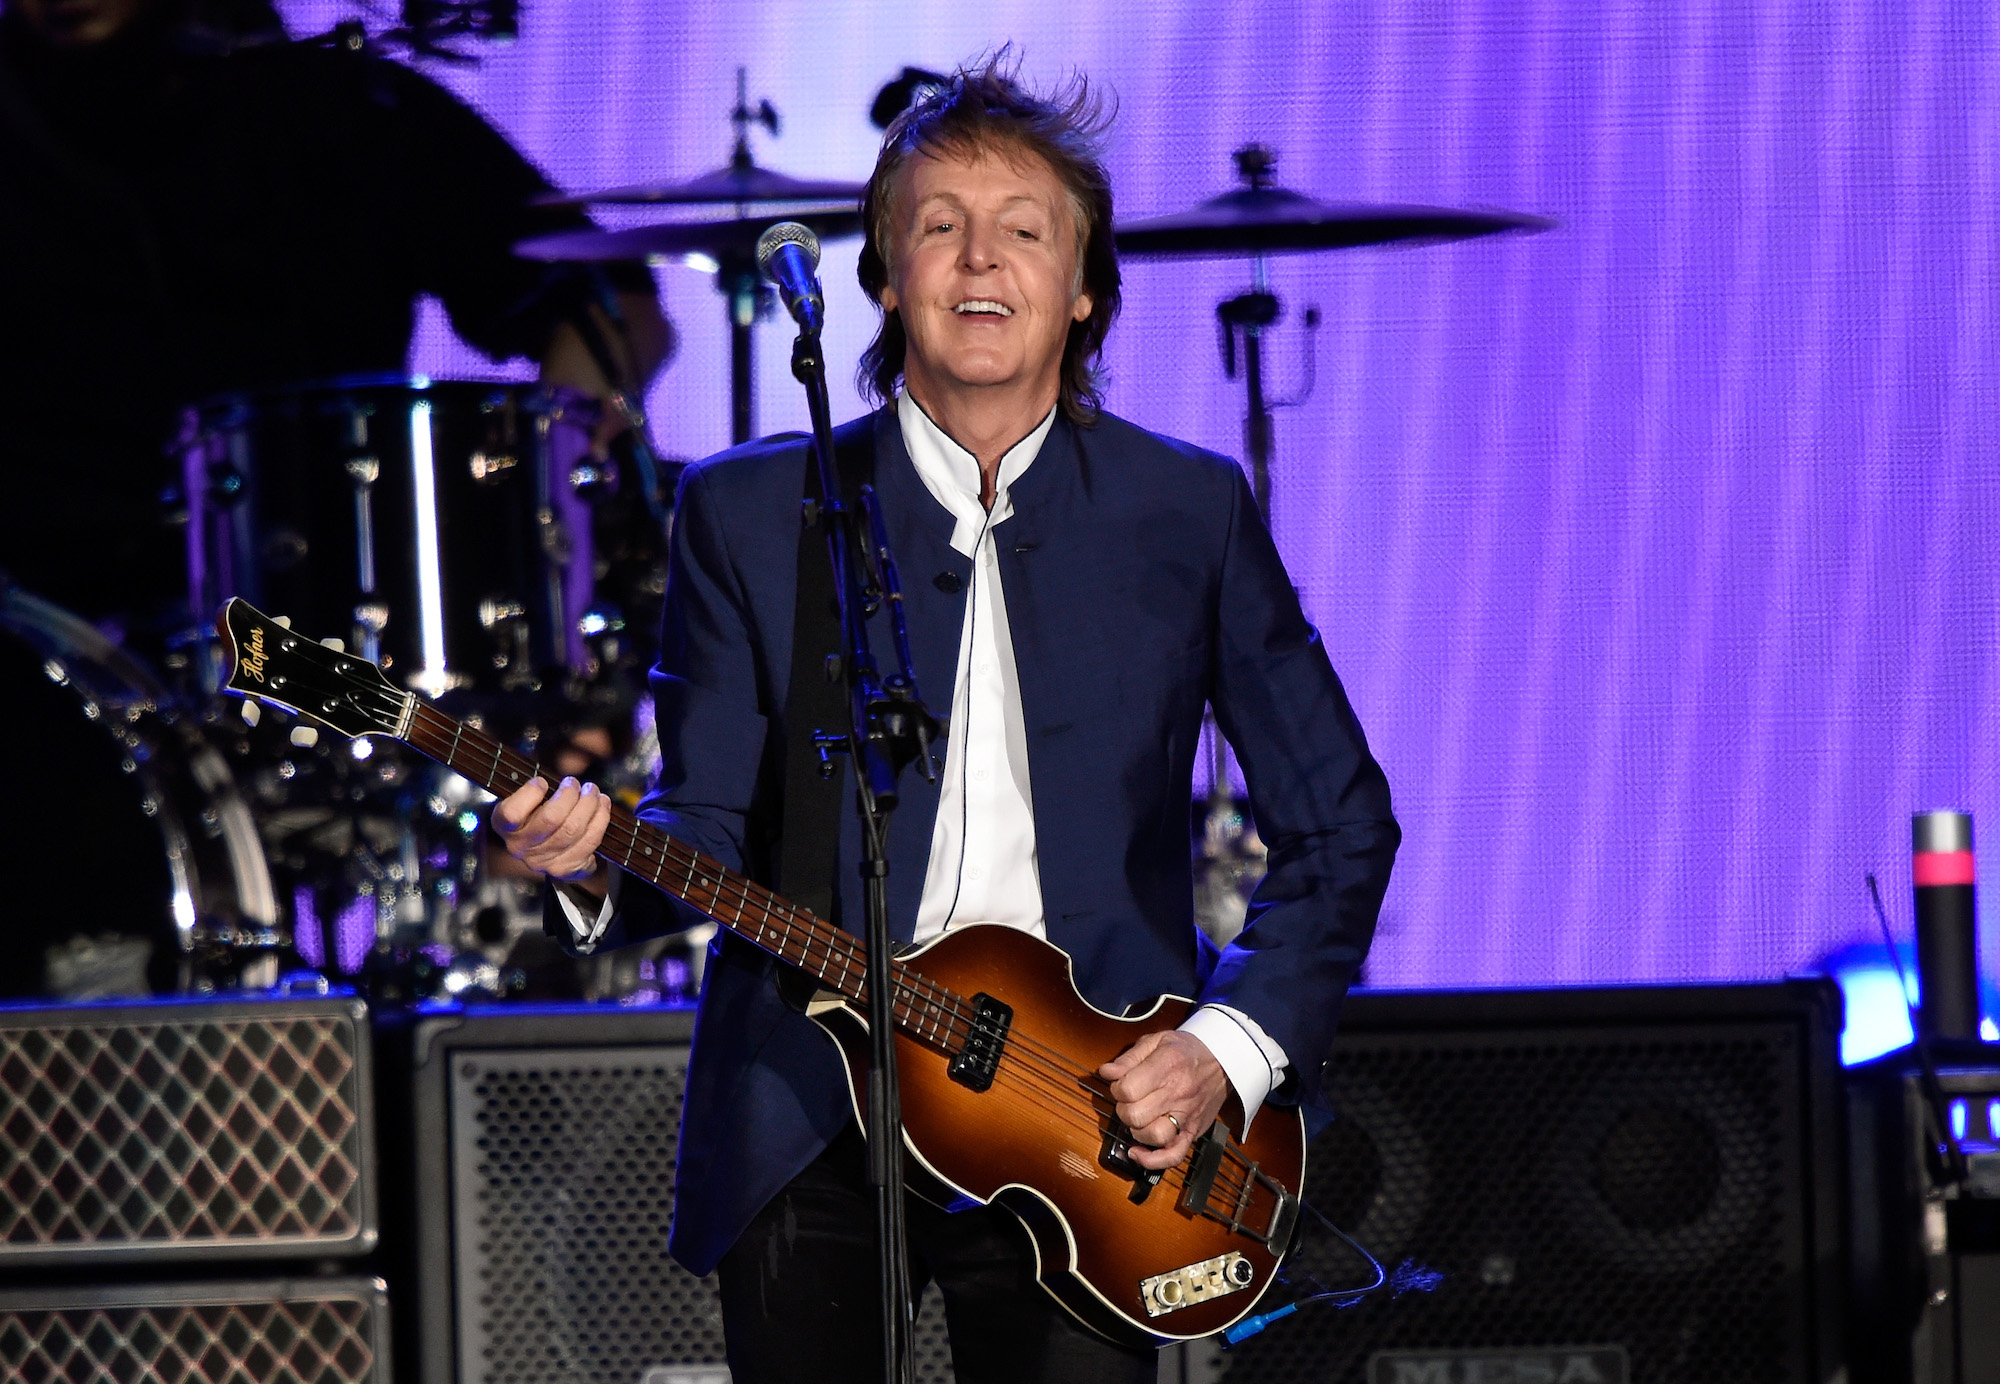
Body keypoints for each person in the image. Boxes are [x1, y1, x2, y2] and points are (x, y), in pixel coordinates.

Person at [494, 55, 1398, 1384]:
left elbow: (1339, 825)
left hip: (1093, 1127)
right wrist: (584, 868)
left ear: (1084, 288)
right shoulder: (745, 512)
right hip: (810, 1118)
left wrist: (1222, 1051)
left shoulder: (1184, 511)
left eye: (1025, 229)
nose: (981, 258)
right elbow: (705, 819)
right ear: (884, 276)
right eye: (938, 225)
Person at [0, 0, 669, 628]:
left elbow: (612, 308)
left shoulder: (346, 109)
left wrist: (533, 494)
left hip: (326, 618)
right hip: (40, 622)